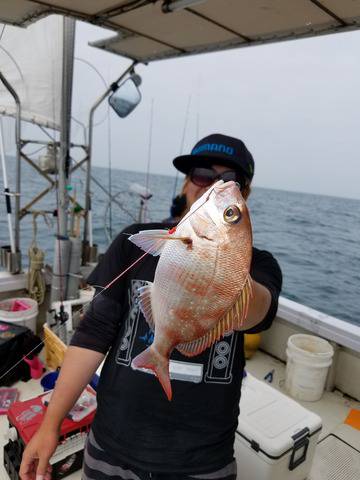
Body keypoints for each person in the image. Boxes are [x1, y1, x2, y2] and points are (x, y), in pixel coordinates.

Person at [20, 133, 282, 480]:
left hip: (204, 461)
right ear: (187, 184)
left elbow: (259, 312)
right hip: (111, 444)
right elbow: (94, 333)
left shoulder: (257, 265)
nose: (213, 186)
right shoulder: (135, 239)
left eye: (229, 181)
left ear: (244, 194)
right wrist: (50, 424)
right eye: (202, 175)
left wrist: (226, 263)